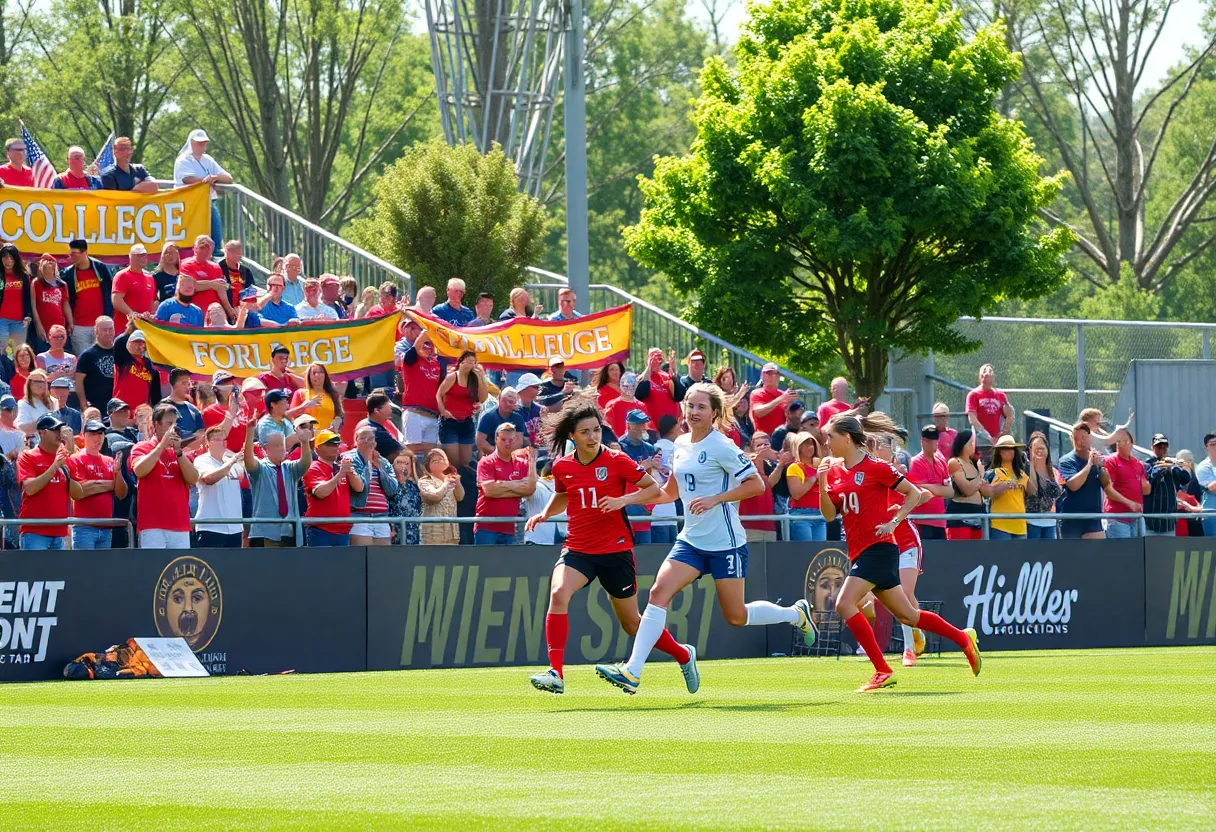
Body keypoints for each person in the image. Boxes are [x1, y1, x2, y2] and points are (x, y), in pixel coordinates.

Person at [594, 383, 815, 696]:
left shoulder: (722, 445)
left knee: (736, 615)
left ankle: (795, 614)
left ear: (714, 413)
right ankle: (632, 671)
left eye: (701, 407)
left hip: (725, 543)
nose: (694, 412)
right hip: (691, 541)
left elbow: (756, 486)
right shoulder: (681, 443)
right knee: (658, 593)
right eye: (690, 405)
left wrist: (716, 498)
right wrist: (624, 500)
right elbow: (671, 491)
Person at [525, 397, 691, 695]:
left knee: (631, 623)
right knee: (558, 593)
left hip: (615, 550)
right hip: (577, 548)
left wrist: (622, 500)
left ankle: (683, 654)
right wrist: (545, 514)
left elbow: (654, 489)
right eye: (586, 432)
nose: (593, 437)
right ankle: (556, 672)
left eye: (596, 430)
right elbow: (563, 493)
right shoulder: (563, 466)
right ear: (572, 435)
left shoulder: (616, 460)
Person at [817, 411, 982, 691]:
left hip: (879, 549)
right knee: (908, 615)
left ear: (846, 438)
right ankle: (964, 638)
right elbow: (829, 515)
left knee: (844, 603)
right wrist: (822, 483)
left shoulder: (876, 467)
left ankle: (882, 670)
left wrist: (894, 520)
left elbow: (915, 493)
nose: (827, 442)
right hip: (861, 551)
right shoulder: (834, 470)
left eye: (830, 437)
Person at [130, 403, 199, 548]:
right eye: (169, 423)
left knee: (179, 570)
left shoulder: (182, 453)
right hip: (152, 526)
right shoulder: (141, 448)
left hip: (180, 525)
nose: (174, 427)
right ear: (157, 424)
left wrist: (179, 452)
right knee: (153, 570)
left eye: (175, 423)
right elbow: (139, 470)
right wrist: (161, 446)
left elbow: (193, 479)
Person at [243, 419, 313, 547]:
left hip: (289, 531)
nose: (282, 449)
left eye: (282, 445)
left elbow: (305, 463)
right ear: (266, 449)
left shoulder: (290, 468)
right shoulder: (261, 468)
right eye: (277, 446)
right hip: (265, 532)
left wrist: (304, 442)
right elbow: (249, 462)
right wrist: (250, 434)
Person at [18, 414, 83, 549]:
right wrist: (54, 467)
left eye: (60, 429)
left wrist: (67, 467)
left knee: (58, 571)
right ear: (42, 432)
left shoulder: (65, 458)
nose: (59, 433)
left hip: (59, 533)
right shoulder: (27, 456)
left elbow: (77, 494)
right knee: (35, 570)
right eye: (54, 430)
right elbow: (29, 488)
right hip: (35, 532)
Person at [474, 423, 536, 545]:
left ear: (516, 440)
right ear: (496, 438)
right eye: (503, 439)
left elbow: (530, 489)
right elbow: (489, 491)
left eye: (510, 440)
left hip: (509, 528)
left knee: (508, 564)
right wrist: (516, 485)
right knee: (485, 563)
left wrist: (500, 487)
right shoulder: (486, 462)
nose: (507, 443)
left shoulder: (522, 464)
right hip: (486, 527)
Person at [67, 419, 124, 549]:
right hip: (84, 527)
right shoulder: (75, 459)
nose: (97, 438)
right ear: (83, 435)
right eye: (92, 433)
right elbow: (80, 491)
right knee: (84, 568)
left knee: (102, 569)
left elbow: (121, 493)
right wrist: (111, 484)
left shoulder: (110, 461)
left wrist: (118, 472)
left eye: (100, 433)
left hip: (106, 527)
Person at [173, 128, 233, 250]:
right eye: (199, 143)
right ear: (191, 143)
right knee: (192, 237)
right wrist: (205, 181)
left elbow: (228, 178)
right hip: (188, 204)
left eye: (204, 143)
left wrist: (214, 177)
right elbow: (187, 178)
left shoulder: (208, 160)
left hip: (208, 202)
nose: (202, 146)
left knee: (215, 233)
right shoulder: (183, 160)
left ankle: (215, 254)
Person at [303, 428, 364, 546]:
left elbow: (359, 488)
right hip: (321, 530)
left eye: (336, 444)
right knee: (322, 565)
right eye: (329, 445)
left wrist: (350, 472)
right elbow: (321, 493)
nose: (335, 448)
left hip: (343, 531)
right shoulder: (314, 467)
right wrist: (340, 474)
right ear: (317, 449)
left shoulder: (341, 466)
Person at [344, 425, 400, 546]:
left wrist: (380, 467)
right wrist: (367, 461)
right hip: (359, 515)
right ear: (355, 441)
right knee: (361, 559)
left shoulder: (383, 461)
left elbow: (392, 489)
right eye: (363, 438)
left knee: (381, 560)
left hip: (382, 517)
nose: (367, 441)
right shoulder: (349, 458)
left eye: (371, 438)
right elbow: (359, 487)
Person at [1055, 421, 1112, 540]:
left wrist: (1101, 467)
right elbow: (1073, 485)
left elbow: (1106, 484)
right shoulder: (1066, 461)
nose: (1080, 441)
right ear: (1071, 439)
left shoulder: (1096, 458)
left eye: (1084, 437)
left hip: (1093, 519)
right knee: (1072, 557)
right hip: (1071, 520)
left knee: (1096, 557)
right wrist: (1089, 464)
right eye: (1076, 438)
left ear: (1090, 438)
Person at [192, 424, 246, 547]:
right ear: (207, 444)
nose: (221, 443)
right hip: (211, 528)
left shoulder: (232, 462)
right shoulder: (202, 460)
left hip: (234, 528)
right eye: (216, 439)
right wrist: (232, 461)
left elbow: (242, 475)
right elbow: (209, 479)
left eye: (223, 439)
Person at [617, 409, 663, 545]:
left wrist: (658, 466)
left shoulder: (649, 448)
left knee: (645, 549)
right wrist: (641, 465)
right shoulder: (620, 446)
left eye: (644, 423)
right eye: (638, 424)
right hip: (625, 505)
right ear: (629, 425)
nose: (643, 427)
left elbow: (653, 477)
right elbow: (620, 473)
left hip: (644, 506)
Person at [436, 350, 488, 470]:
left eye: (473, 362)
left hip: (467, 421)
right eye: (467, 361)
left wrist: (480, 377)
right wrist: (443, 410)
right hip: (450, 422)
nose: (470, 365)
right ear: (461, 362)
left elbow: (483, 398)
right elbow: (439, 394)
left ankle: (465, 486)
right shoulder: (452, 377)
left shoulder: (474, 379)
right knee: (454, 462)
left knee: (465, 463)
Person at [1100, 427, 1150, 538]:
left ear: (1132, 444)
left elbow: (1146, 490)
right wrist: (1129, 503)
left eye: (1125, 441)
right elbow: (1108, 489)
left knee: (1139, 551)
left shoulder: (1138, 464)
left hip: (1136, 517)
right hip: (1118, 517)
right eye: (1119, 441)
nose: (1122, 444)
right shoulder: (1110, 461)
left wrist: (1147, 484)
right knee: (1122, 552)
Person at [399, 331, 442, 454]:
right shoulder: (411, 359)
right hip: (414, 413)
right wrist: (429, 329)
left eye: (431, 344)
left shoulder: (437, 364)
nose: (428, 347)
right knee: (412, 450)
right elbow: (417, 347)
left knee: (431, 454)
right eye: (425, 343)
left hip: (433, 415)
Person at [907, 425, 951, 540]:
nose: (933, 443)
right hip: (922, 521)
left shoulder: (941, 461)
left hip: (940, 522)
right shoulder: (915, 462)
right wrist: (939, 489)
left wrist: (928, 487)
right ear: (922, 441)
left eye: (935, 439)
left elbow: (950, 492)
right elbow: (919, 492)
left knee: (941, 556)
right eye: (929, 440)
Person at [946, 429, 990, 540]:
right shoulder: (955, 462)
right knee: (961, 553)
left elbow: (984, 492)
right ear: (962, 444)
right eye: (970, 443)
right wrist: (980, 476)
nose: (973, 446)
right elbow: (967, 490)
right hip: (961, 517)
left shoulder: (975, 464)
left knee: (976, 554)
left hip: (977, 516)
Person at [1145, 433, 1192, 537]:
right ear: (1152, 447)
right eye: (1159, 445)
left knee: (1168, 552)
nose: (1162, 448)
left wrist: (1181, 465)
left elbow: (1186, 478)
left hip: (1169, 523)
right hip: (1151, 522)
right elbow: (1152, 477)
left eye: (1164, 445)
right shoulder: (1147, 464)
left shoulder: (1173, 466)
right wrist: (1162, 466)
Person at [179, 236, 234, 321]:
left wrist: (229, 310)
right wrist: (212, 284)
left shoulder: (216, 267)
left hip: (215, 314)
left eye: (208, 247)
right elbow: (190, 286)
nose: (205, 250)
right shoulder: (186, 264)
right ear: (195, 248)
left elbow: (221, 289)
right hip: (193, 313)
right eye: (202, 246)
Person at [985, 435, 1029, 540]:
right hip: (1000, 525)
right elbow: (991, 492)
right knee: (1002, 556)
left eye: (1011, 448)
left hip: (1020, 525)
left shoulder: (1022, 473)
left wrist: (1032, 464)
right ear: (999, 452)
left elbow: (1032, 491)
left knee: (1020, 557)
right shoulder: (993, 473)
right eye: (1005, 448)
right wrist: (1006, 485)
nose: (1009, 451)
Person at [965, 363, 1013, 458]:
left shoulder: (1000, 395)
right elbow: (972, 418)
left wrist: (1003, 432)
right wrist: (988, 437)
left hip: (998, 440)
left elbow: (1010, 415)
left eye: (987, 374)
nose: (984, 377)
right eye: (982, 374)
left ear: (992, 377)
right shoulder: (973, 395)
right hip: (981, 440)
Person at [785, 432, 826, 541]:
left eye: (812, 444)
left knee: (819, 554)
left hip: (819, 514)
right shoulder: (794, 467)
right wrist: (814, 478)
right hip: (801, 516)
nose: (810, 447)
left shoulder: (819, 465)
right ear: (799, 447)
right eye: (806, 444)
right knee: (806, 554)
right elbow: (796, 494)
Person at [27, 254, 72, 352]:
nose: (49, 262)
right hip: (43, 325)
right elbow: (33, 305)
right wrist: (38, 325)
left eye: (51, 260)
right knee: (42, 353)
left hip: (59, 324)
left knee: (60, 352)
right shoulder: (36, 283)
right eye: (46, 260)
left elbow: (65, 304)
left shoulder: (62, 284)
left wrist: (71, 323)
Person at [739, 431, 779, 542]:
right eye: (759, 445)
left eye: (766, 444)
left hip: (769, 529)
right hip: (750, 529)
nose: (763, 448)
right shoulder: (746, 476)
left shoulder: (765, 478)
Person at [418, 448, 463, 545]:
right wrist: (446, 484)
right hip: (432, 533)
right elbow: (435, 496)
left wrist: (458, 483)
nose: (438, 461)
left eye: (441, 458)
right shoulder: (425, 481)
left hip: (452, 533)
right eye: (434, 460)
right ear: (428, 466)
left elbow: (460, 497)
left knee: (451, 560)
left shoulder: (451, 478)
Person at [1025, 430, 1062, 539]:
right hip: (1031, 522)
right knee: (1033, 555)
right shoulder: (1025, 469)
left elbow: (1058, 492)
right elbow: (1032, 490)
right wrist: (1032, 464)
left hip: (1050, 523)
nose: (1039, 451)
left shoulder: (1053, 471)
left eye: (1042, 448)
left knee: (1049, 555)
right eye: (1036, 449)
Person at [110, 245, 156, 332]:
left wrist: (152, 315)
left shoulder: (149, 277)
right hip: (125, 328)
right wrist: (132, 314)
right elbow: (116, 300)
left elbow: (153, 300)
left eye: (144, 255)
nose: (143, 258)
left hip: (145, 328)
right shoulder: (122, 276)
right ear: (131, 257)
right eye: (139, 255)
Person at [112, 325, 157, 411]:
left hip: (141, 412)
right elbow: (118, 343)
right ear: (128, 343)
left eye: (142, 343)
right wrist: (134, 323)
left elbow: (153, 392)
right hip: (121, 409)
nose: (139, 346)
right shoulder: (122, 360)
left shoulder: (149, 364)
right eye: (136, 342)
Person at [289, 362, 342, 432]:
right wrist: (304, 406)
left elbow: (339, 415)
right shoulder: (300, 393)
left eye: (320, 372)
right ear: (309, 376)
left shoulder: (333, 394)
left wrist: (337, 422)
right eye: (314, 373)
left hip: (329, 436)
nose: (317, 375)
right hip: (308, 436)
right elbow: (290, 416)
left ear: (325, 375)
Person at [476, 387, 527, 456]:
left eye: (511, 402)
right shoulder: (488, 416)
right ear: (499, 399)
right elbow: (480, 441)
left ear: (515, 404)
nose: (508, 404)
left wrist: (508, 454)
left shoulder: (518, 418)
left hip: (511, 453)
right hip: (491, 452)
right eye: (504, 401)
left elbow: (519, 442)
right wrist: (497, 453)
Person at [750, 362, 797, 436]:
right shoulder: (757, 393)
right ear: (762, 375)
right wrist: (780, 399)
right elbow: (758, 413)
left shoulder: (783, 394)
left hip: (781, 438)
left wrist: (791, 405)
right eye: (769, 373)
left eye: (776, 373)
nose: (773, 376)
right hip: (764, 440)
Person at [637, 347, 679, 429]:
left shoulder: (667, 376)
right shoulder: (642, 377)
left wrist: (674, 370)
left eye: (659, 358)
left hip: (670, 426)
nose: (656, 361)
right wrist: (649, 367)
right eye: (653, 358)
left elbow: (676, 396)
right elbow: (639, 393)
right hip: (652, 427)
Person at [387, 452, 422, 546]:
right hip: (394, 533)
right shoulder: (388, 484)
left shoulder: (414, 486)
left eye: (407, 464)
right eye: (399, 462)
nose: (403, 466)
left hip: (413, 533)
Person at [603, 371, 649, 439]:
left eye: (633, 386)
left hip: (637, 443)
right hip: (619, 444)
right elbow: (609, 429)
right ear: (620, 385)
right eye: (626, 386)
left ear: (636, 386)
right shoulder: (612, 405)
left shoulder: (641, 406)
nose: (629, 389)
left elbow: (644, 429)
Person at [165, 367, 205, 446]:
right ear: (173, 384)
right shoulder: (163, 408)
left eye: (189, 384)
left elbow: (201, 435)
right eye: (184, 383)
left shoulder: (193, 410)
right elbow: (167, 437)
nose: (188, 387)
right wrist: (193, 436)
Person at [0, 243, 29, 348]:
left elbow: (27, 297)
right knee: (2, 352)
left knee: (19, 351)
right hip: (1, 320)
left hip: (19, 321)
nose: (8, 261)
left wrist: (28, 315)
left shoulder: (22, 275)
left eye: (11, 257)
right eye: (5, 257)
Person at [36, 325, 77, 393]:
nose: (59, 340)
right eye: (56, 337)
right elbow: (40, 379)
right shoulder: (41, 358)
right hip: (50, 393)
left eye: (62, 337)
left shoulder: (72, 358)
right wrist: (56, 375)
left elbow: (77, 378)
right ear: (49, 337)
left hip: (70, 392)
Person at [218, 240, 256, 308]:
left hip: (243, 308)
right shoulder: (218, 269)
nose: (240, 256)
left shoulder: (245, 271)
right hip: (224, 307)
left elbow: (251, 291)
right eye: (237, 253)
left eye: (240, 253)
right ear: (227, 252)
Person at [16, 369, 53, 434]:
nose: (38, 385)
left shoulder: (53, 401)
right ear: (29, 385)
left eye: (41, 382)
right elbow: (20, 427)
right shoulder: (23, 404)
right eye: (35, 382)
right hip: (35, 440)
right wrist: (43, 422)